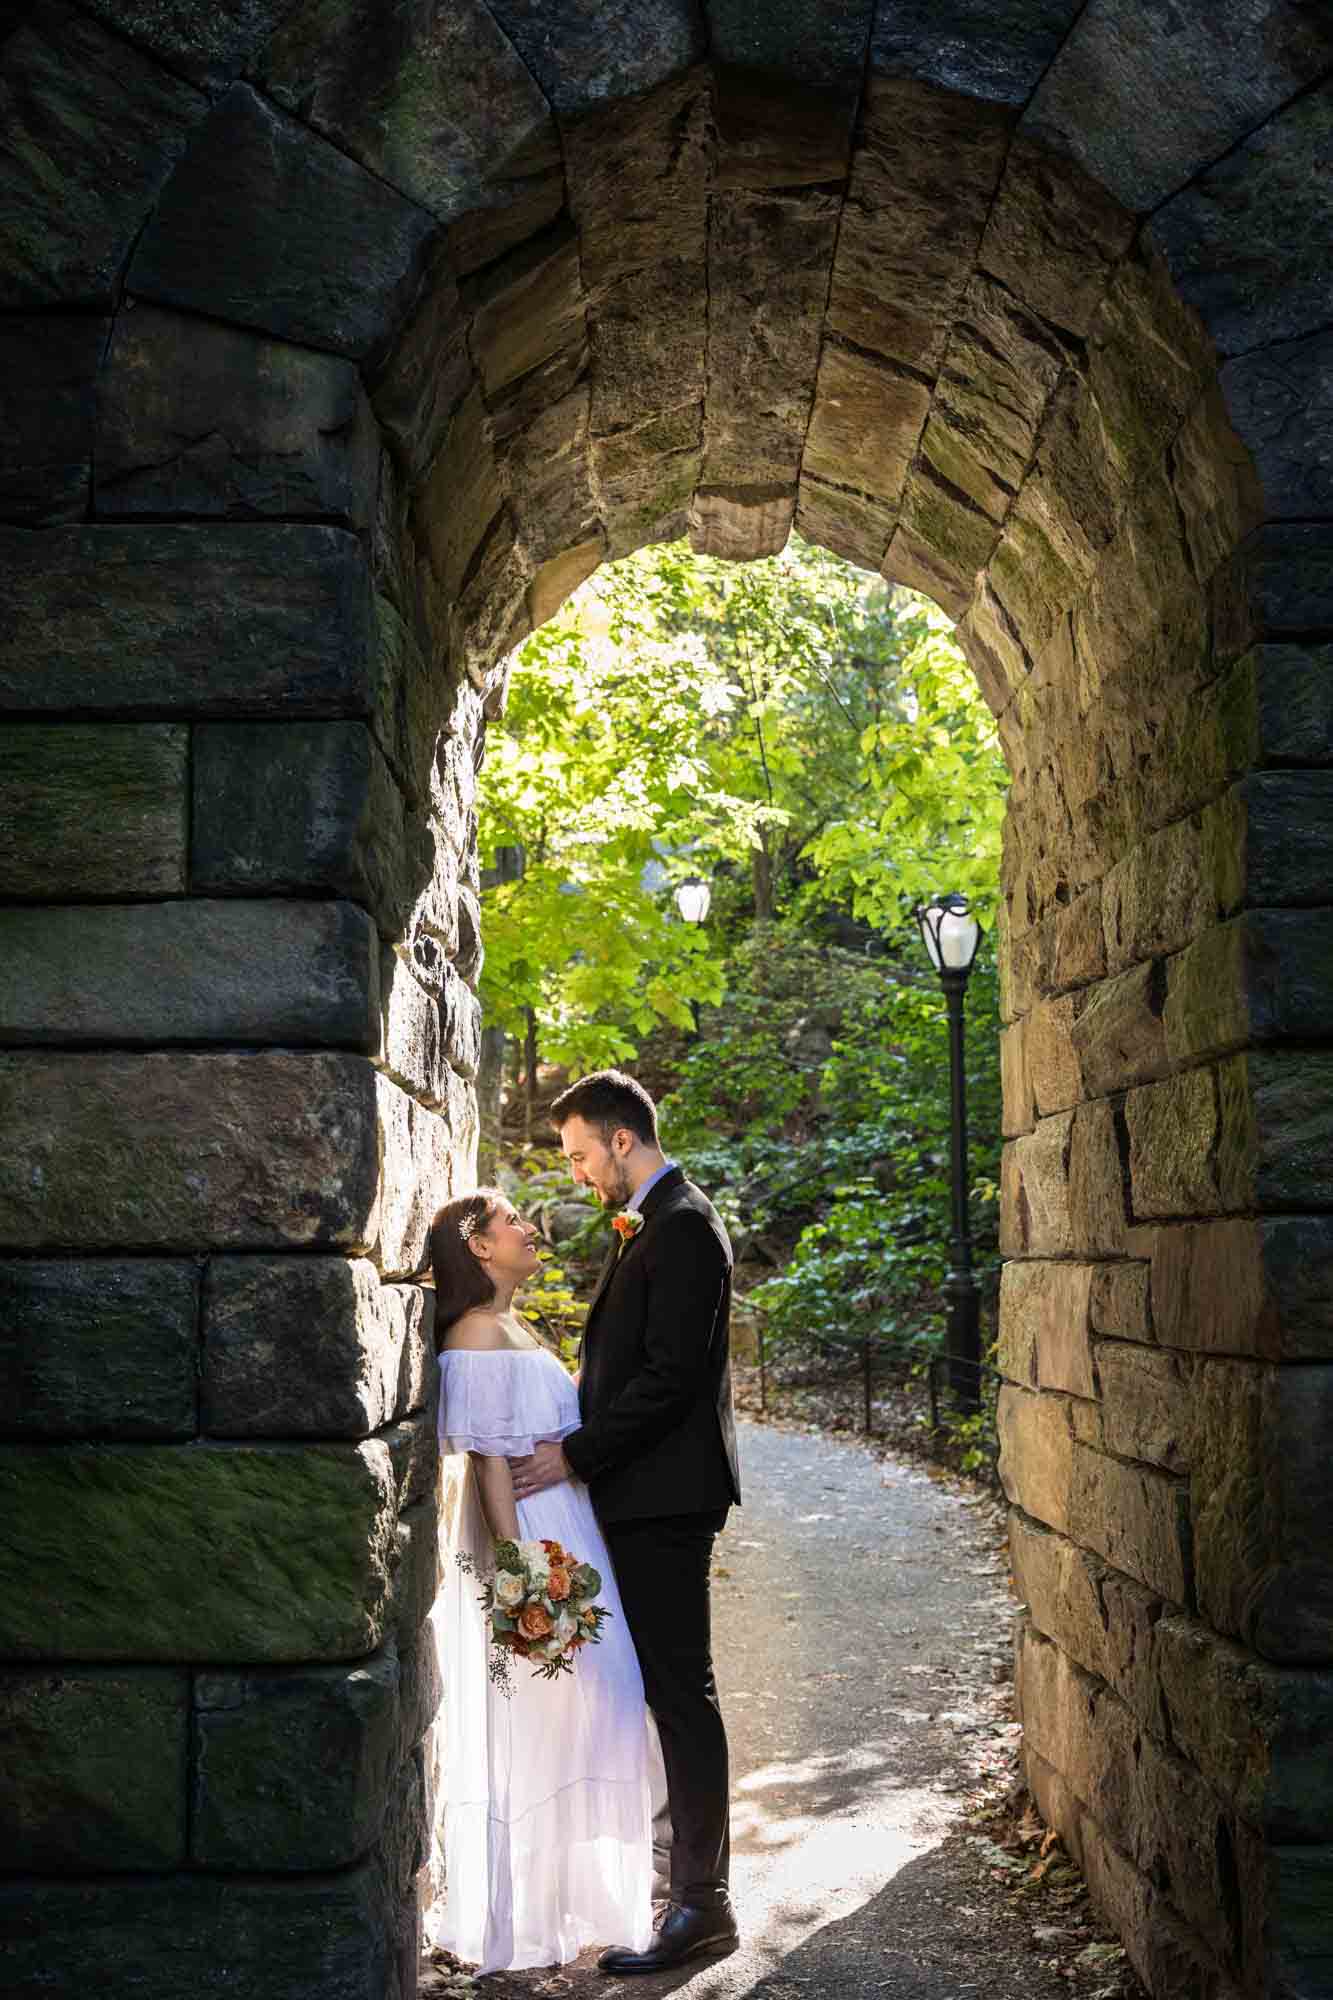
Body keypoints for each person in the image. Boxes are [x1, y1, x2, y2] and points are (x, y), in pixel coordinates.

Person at [509, 1069, 742, 1973]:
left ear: (619, 1138)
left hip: (666, 1496)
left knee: (682, 1695)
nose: (574, 1173)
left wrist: (573, 1454)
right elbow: (627, 1363)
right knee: (663, 1692)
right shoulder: (653, 1217)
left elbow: (669, 1379)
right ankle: (685, 1881)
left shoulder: (683, 1224)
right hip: (642, 1491)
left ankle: (703, 1905)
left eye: (576, 1154)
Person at [423, 1187, 656, 1975]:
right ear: (479, 1248)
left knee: (603, 1708)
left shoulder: (511, 1324)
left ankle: (577, 1907)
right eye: (511, 1221)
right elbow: (489, 1458)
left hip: (570, 1527)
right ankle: (527, 1918)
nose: (529, 1228)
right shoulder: (476, 1333)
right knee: (568, 1709)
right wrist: (518, 1573)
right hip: (534, 1542)